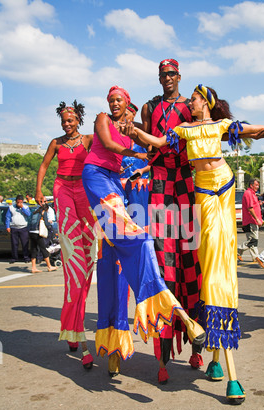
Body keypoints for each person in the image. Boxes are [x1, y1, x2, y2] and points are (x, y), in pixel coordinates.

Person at [123, 83, 264, 402]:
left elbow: (252, 131)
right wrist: (134, 132)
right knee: (210, 263)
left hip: (224, 188)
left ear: (205, 101)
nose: (189, 102)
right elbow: (159, 142)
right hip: (202, 194)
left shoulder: (220, 126)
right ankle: (216, 359)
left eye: (194, 98)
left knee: (219, 263)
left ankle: (223, 362)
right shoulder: (184, 129)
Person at [82, 85, 205, 377]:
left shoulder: (144, 136)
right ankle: (118, 342)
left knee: (185, 262)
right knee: (119, 261)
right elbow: (109, 146)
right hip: (112, 195)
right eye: (112, 100)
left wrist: (143, 151)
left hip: (145, 199)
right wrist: (136, 155)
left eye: (120, 101)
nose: (115, 105)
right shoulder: (106, 124)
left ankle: (195, 345)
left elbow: (158, 149)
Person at [140, 59, 203, 383]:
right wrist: (138, 166)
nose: (167, 79)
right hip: (161, 183)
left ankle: (198, 347)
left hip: (186, 183)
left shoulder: (190, 107)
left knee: (191, 263)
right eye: (162, 75)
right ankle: (163, 358)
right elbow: (146, 146)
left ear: (179, 76)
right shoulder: (150, 108)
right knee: (165, 266)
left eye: (171, 74)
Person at [35, 100, 97, 370]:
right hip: (62, 190)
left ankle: (72, 324)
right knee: (73, 264)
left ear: (78, 120)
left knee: (90, 256)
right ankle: (74, 328)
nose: (66, 124)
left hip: (84, 191)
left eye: (70, 120)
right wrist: (39, 190)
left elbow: (108, 149)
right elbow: (44, 166)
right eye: (63, 121)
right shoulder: (56, 143)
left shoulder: (89, 140)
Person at [120, 102, 150, 229]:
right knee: (121, 223)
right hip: (120, 185)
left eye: (125, 114)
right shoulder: (114, 137)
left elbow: (155, 162)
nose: (123, 118)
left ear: (134, 115)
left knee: (140, 222)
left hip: (139, 186)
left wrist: (142, 170)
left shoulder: (144, 136)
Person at [237, 179, 264, 267]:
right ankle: (238, 250)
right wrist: (257, 219)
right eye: (256, 185)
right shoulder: (248, 193)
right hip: (251, 220)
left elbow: (253, 205)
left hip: (252, 220)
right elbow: (250, 208)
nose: (257, 187)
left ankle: (255, 258)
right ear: (251, 185)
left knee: (253, 240)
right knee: (253, 240)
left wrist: (259, 204)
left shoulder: (252, 194)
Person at [28, 203, 57, 273]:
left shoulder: (34, 212)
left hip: (31, 232)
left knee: (34, 249)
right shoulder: (43, 213)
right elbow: (47, 223)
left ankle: (33, 267)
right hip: (38, 233)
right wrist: (50, 227)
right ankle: (49, 266)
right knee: (43, 248)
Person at [5, 195, 31, 263]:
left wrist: (22, 208)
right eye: (18, 202)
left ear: (22, 201)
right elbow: (8, 217)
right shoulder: (11, 207)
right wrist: (7, 226)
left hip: (23, 228)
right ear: (16, 201)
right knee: (14, 244)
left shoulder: (25, 207)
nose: (19, 204)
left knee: (25, 244)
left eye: (20, 202)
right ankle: (14, 258)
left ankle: (26, 258)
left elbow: (28, 214)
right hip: (14, 228)